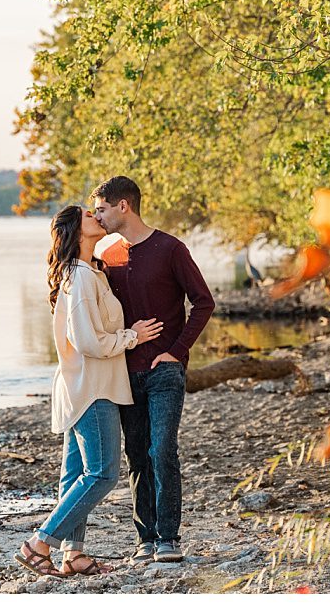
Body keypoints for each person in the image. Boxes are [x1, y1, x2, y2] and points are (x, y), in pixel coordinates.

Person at [15, 206, 164, 578]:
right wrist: (133, 336)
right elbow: (88, 342)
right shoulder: (80, 277)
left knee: (75, 475)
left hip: (84, 384)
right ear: (75, 232)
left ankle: (73, 555)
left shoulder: (87, 272)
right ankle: (40, 543)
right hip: (91, 388)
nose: (95, 214)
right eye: (86, 214)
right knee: (102, 474)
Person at [93, 176, 215, 563]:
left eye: (102, 208)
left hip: (165, 371)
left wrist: (178, 351)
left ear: (123, 206)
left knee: (163, 449)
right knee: (137, 455)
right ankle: (145, 538)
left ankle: (169, 538)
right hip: (125, 372)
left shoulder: (170, 249)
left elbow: (203, 302)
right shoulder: (108, 255)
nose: (97, 216)